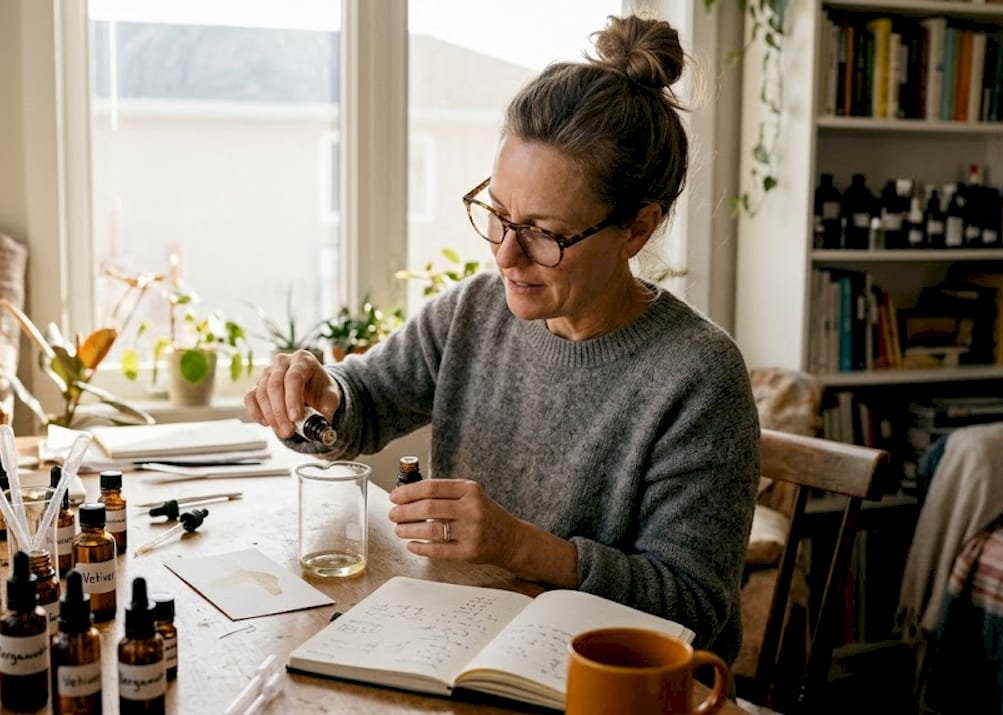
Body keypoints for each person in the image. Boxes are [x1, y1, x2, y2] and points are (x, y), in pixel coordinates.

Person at [244, 14, 759, 663]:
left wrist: (522, 546)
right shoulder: (475, 311)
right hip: (469, 652)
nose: (505, 255)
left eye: (545, 232)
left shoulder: (697, 375)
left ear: (638, 229)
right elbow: (363, 402)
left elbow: (695, 605)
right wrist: (317, 395)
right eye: (499, 214)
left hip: (617, 684)